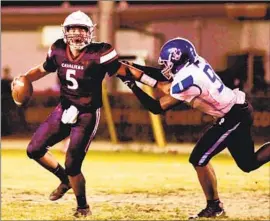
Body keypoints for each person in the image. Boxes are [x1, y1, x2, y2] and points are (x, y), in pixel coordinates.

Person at [11, 10, 162, 217]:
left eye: (81, 30)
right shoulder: (58, 50)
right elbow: (42, 69)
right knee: (34, 149)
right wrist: (24, 78)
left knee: (73, 164)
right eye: (73, 29)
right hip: (64, 108)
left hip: (87, 114)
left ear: (90, 32)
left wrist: (155, 83)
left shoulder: (99, 53)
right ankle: (64, 180)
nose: (77, 34)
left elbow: (125, 70)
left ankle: (83, 207)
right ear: (65, 32)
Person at [118, 37, 270, 220]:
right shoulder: (193, 64)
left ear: (177, 60)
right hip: (236, 110)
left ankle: (214, 207)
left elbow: (156, 107)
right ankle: (215, 206)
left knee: (199, 158)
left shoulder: (188, 80)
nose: (166, 67)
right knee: (248, 164)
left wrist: (131, 84)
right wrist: (134, 68)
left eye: (168, 63)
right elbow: (162, 77)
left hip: (233, 116)